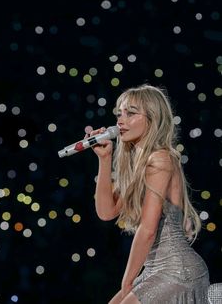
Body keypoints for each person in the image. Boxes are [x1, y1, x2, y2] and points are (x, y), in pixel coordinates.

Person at [90, 83, 210, 303]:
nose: (120, 120)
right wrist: (104, 159)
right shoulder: (138, 165)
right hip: (155, 270)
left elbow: (147, 229)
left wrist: (127, 281)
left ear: (152, 119)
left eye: (131, 113)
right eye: (119, 113)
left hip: (177, 271)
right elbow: (106, 212)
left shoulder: (161, 158)